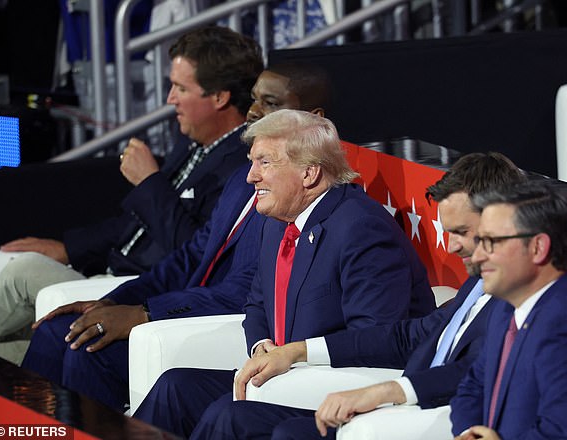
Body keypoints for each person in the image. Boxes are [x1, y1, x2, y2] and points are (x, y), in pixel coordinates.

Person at [19, 61, 342, 412]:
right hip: (186, 305)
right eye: (253, 100)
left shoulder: (302, 192)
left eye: (270, 103)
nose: (253, 112)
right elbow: (190, 254)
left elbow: (245, 292)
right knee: (56, 332)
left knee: (88, 348)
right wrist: (114, 302)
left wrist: (144, 313)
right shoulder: (242, 179)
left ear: (313, 116)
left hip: (224, 323)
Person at [133, 109, 435, 438]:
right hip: (284, 375)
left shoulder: (360, 227)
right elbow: (257, 303)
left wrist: (293, 355)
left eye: (265, 163)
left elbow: (376, 338)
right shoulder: (276, 223)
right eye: (252, 162)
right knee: (175, 387)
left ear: (309, 173)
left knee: (229, 415)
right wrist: (262, 346)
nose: (251, 176)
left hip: (339, 386)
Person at [192, 152, 528, 440]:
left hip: (417, 421)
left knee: (280, 432)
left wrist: (387, 393)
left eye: (463, 233)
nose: (453, 246)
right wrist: (298, 351)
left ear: (501, 221)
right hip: (390, 409)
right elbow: (407, 335)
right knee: (230, 415)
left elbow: (478, 371)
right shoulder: (477, 284)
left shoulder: (521, 297)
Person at [0, 25, 263, 364]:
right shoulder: (192, 142)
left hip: (146, 288)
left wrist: (150, 183)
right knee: (4, 351)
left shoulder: (243, 168)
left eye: (180, 88)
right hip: (111, 276)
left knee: (22, 273)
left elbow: (195, 254)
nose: (169, 100)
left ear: (220, 97)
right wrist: (68, 249)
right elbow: (130, 225)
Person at [451, 182, 567, 439]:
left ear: (537, 248)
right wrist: (469, 432)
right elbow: (473, 386)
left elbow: (563, 435)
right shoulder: (506, 308)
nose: (476, 257)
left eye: (491, 242)